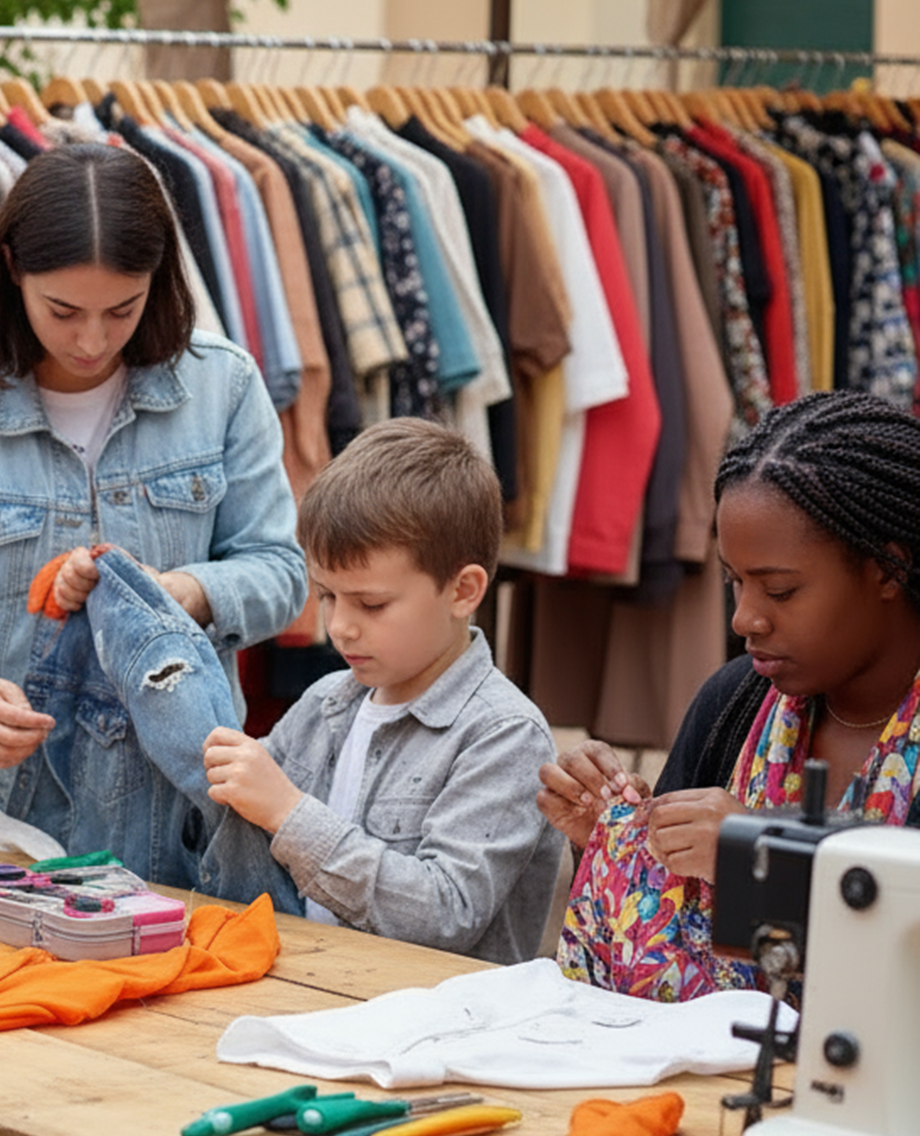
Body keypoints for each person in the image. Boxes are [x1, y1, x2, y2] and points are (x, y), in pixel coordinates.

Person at [0, 142, 306, 884]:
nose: (92, 339)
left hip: (186, 806)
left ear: (159, 279)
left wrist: (177, 594)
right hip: (7, 818)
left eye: (123, 310)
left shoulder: (225, 387)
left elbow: (280, 573)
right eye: (64, 310)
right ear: (12, 269)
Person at [542, 391, 920, 1000]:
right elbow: (666, 913)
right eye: (734, 582)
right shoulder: (734, 704)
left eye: (780, 590)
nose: (744, 618)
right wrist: (616, 837)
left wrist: (761, 859)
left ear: (888, 570)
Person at [197, 419, 565, 963]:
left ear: (463, 591)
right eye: (327, 596)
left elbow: (447, 912)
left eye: (371, 604)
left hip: (438, 1013)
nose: (340, 626)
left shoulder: (505, 735)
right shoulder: (324, 703)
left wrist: (288, 813)